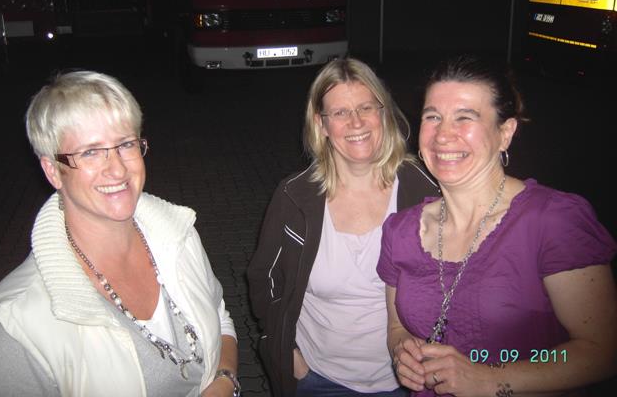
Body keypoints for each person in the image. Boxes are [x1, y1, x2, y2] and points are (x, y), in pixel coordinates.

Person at [0, 71, 240, 397]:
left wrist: (225, 379)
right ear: (53, 171)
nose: (117, 169)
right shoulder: (19, 326)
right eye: (90, 152)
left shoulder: (179, 236)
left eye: (125, 144)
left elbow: (218, 316)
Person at [378, 55, 617, 396]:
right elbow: (396, 328)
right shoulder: (400, 231)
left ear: (505, 133)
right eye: (433, 117)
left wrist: (489, 379)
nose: (443, 135)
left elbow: (602, 351)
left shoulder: (553, 221)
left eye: (465, 117)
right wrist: (402, 350)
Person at [247, 58, 438, 396]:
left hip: (408, 381)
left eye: (366, 107)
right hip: (318, 377)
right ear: (321, 124)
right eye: (340, 112)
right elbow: (265, 278)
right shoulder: (295, 197)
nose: (356, 122)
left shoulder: (423, 190)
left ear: (383, 113)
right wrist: (288, 351)